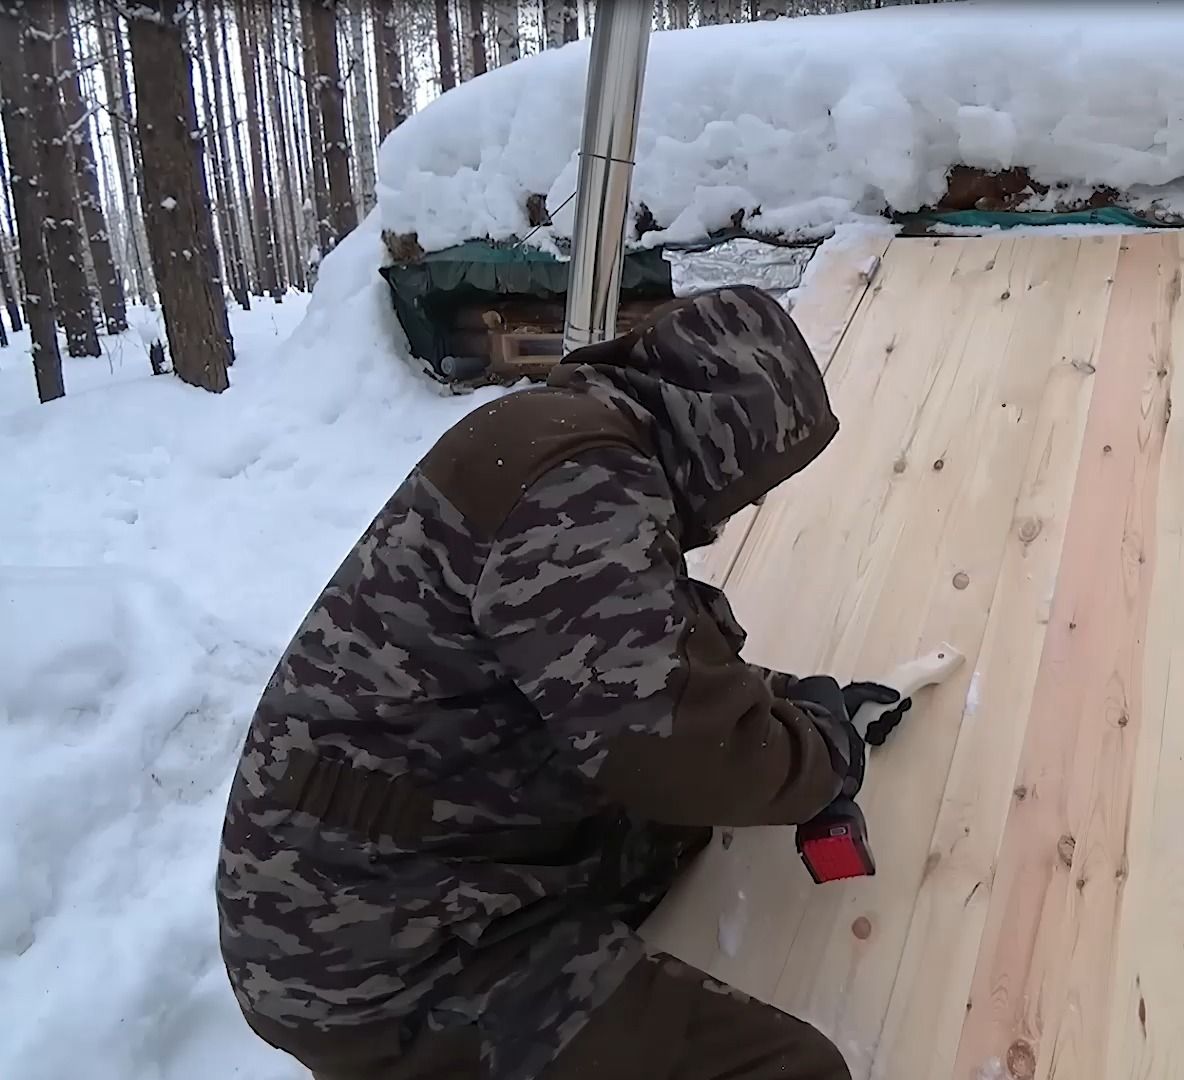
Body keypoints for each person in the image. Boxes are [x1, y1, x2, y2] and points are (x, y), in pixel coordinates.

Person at [216, 285, 909, 1080]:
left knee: (670, 841)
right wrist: (820, 754)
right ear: (727, 436)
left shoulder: (567, 440)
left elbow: (637, 665)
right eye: (755, 476)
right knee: (791, 1068)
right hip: (376, 957)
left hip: (388, 867)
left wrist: (784, 701)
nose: (745, 503)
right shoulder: (581, 485)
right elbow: (669, 748)